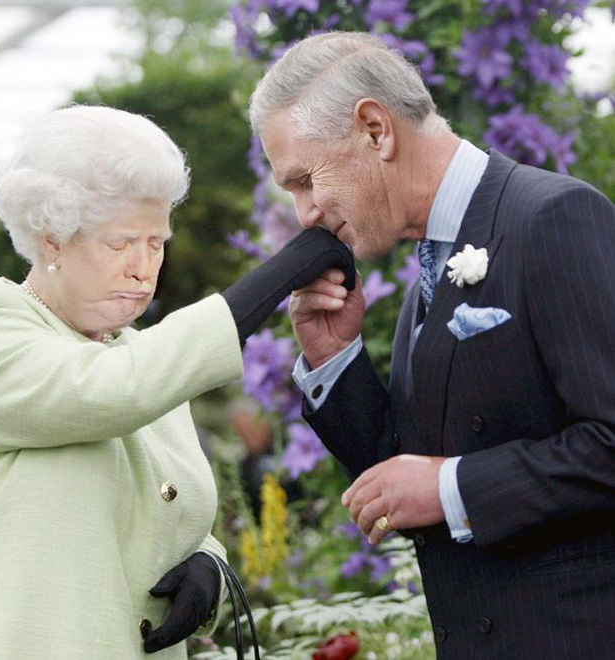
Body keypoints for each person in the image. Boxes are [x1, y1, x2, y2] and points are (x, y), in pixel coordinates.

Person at [248, 31, 615, 658]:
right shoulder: (430, 262)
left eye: (306, 179)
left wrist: (453, 488)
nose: (305, 212)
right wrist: (332, 358)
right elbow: (402, 476)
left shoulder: (553, 216)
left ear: (375, 130)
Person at [0, 105, 355, 659]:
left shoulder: (146, 357)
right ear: (52, 240)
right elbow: (110, 392)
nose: (145, 267)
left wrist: (208, 567)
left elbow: (161, 508)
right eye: (120, 243)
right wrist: (280, 274)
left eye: (157, 241)